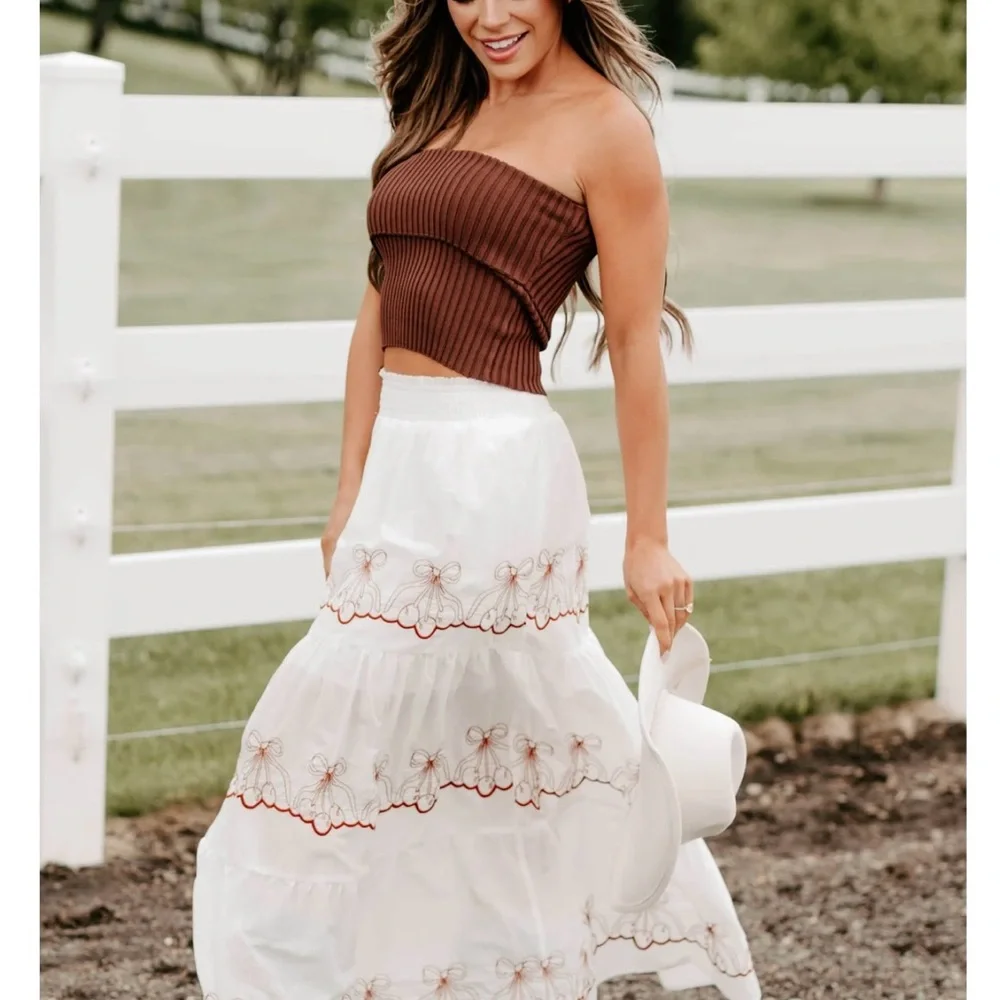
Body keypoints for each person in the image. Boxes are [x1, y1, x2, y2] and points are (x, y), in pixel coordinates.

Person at [192, 0, 760, 996]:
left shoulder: (608, 128)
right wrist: (348, 491)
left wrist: (648, 536)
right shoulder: (437, 103)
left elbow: (633, 342)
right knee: (429, 737)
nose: (488, 16)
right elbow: (376, 309)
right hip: (398, 470)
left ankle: (592, 928)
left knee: (478, 729)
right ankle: (439, 967)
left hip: (496, 469)